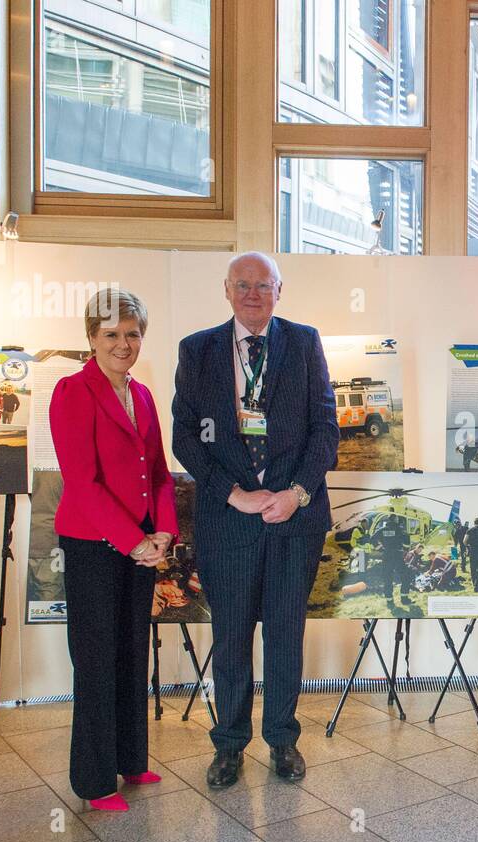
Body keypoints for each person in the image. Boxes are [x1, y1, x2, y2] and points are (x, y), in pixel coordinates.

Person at [172, 252, 339, 789]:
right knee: (232, 634)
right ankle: (229, 746)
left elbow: (326, 431)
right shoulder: (197, 350)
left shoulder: (305, 342)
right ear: (226, 290)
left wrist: (296, 492)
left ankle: (283, 740)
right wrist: (233, 494)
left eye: (262, 285)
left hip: (294, 519)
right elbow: (183, 437)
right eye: (242, 285)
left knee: (287, 634)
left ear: (279, 290)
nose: (252, 294)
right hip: (229, 521)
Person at [50, 289, 178, 812]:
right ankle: (95, 779)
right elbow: (82, 482)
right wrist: (133, 542)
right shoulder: (72, 392)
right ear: (91, 339)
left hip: (142, 546)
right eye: (112, 335)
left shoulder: (142, 394)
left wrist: (163, 534)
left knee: (131, 651)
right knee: (97, 658)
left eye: (132, 334)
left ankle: (130, 759)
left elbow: (160, 474)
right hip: (93, 546)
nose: (123, 344)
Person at [372, 513, 410, 605]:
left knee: (387, 578)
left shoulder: (382, 530)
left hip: (386, 555)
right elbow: (407, 541)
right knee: (405, 576)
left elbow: (372, 539)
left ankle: (389, 601)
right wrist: (405, 551)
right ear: (395, 520)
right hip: (397, 555)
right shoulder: (400, 530)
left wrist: (380, 549)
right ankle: (404, 599)